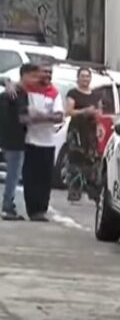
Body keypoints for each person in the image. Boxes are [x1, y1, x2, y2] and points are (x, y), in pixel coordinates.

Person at [20, 63, 64, 221]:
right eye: (44, 71)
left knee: (44, 179)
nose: (47, 74)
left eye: (50, 72)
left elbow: (59, 116)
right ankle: (32, 210)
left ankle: (41, 210)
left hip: (48, 142)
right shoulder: (28, 89)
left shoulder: (54, 93)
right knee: (29, 178)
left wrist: (40, 117)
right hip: (30, 141)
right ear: (37, 73)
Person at [0, 64, 36, 220]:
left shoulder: (10, 92)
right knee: (13, 175)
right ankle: (8, 206)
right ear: (25, 75)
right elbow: (22, 118)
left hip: (8, 137)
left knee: (13, 174)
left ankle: (9, 205)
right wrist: (40, 117)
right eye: (33, 76)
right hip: (15, 138)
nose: (35, 80)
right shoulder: (18, 94)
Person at [64, 67, 103, 202]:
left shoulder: (96, 95)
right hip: (77, 131)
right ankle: (74, 192)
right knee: (75, 161)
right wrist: (83, 111)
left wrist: (99, 126)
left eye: (87, 76)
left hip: (91, 131)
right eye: (83, 76)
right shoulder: (73, 93)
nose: (85, 79)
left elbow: (99, 113)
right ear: (78, 78)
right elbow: (68, 111)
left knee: (92, 161)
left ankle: (92, 193)